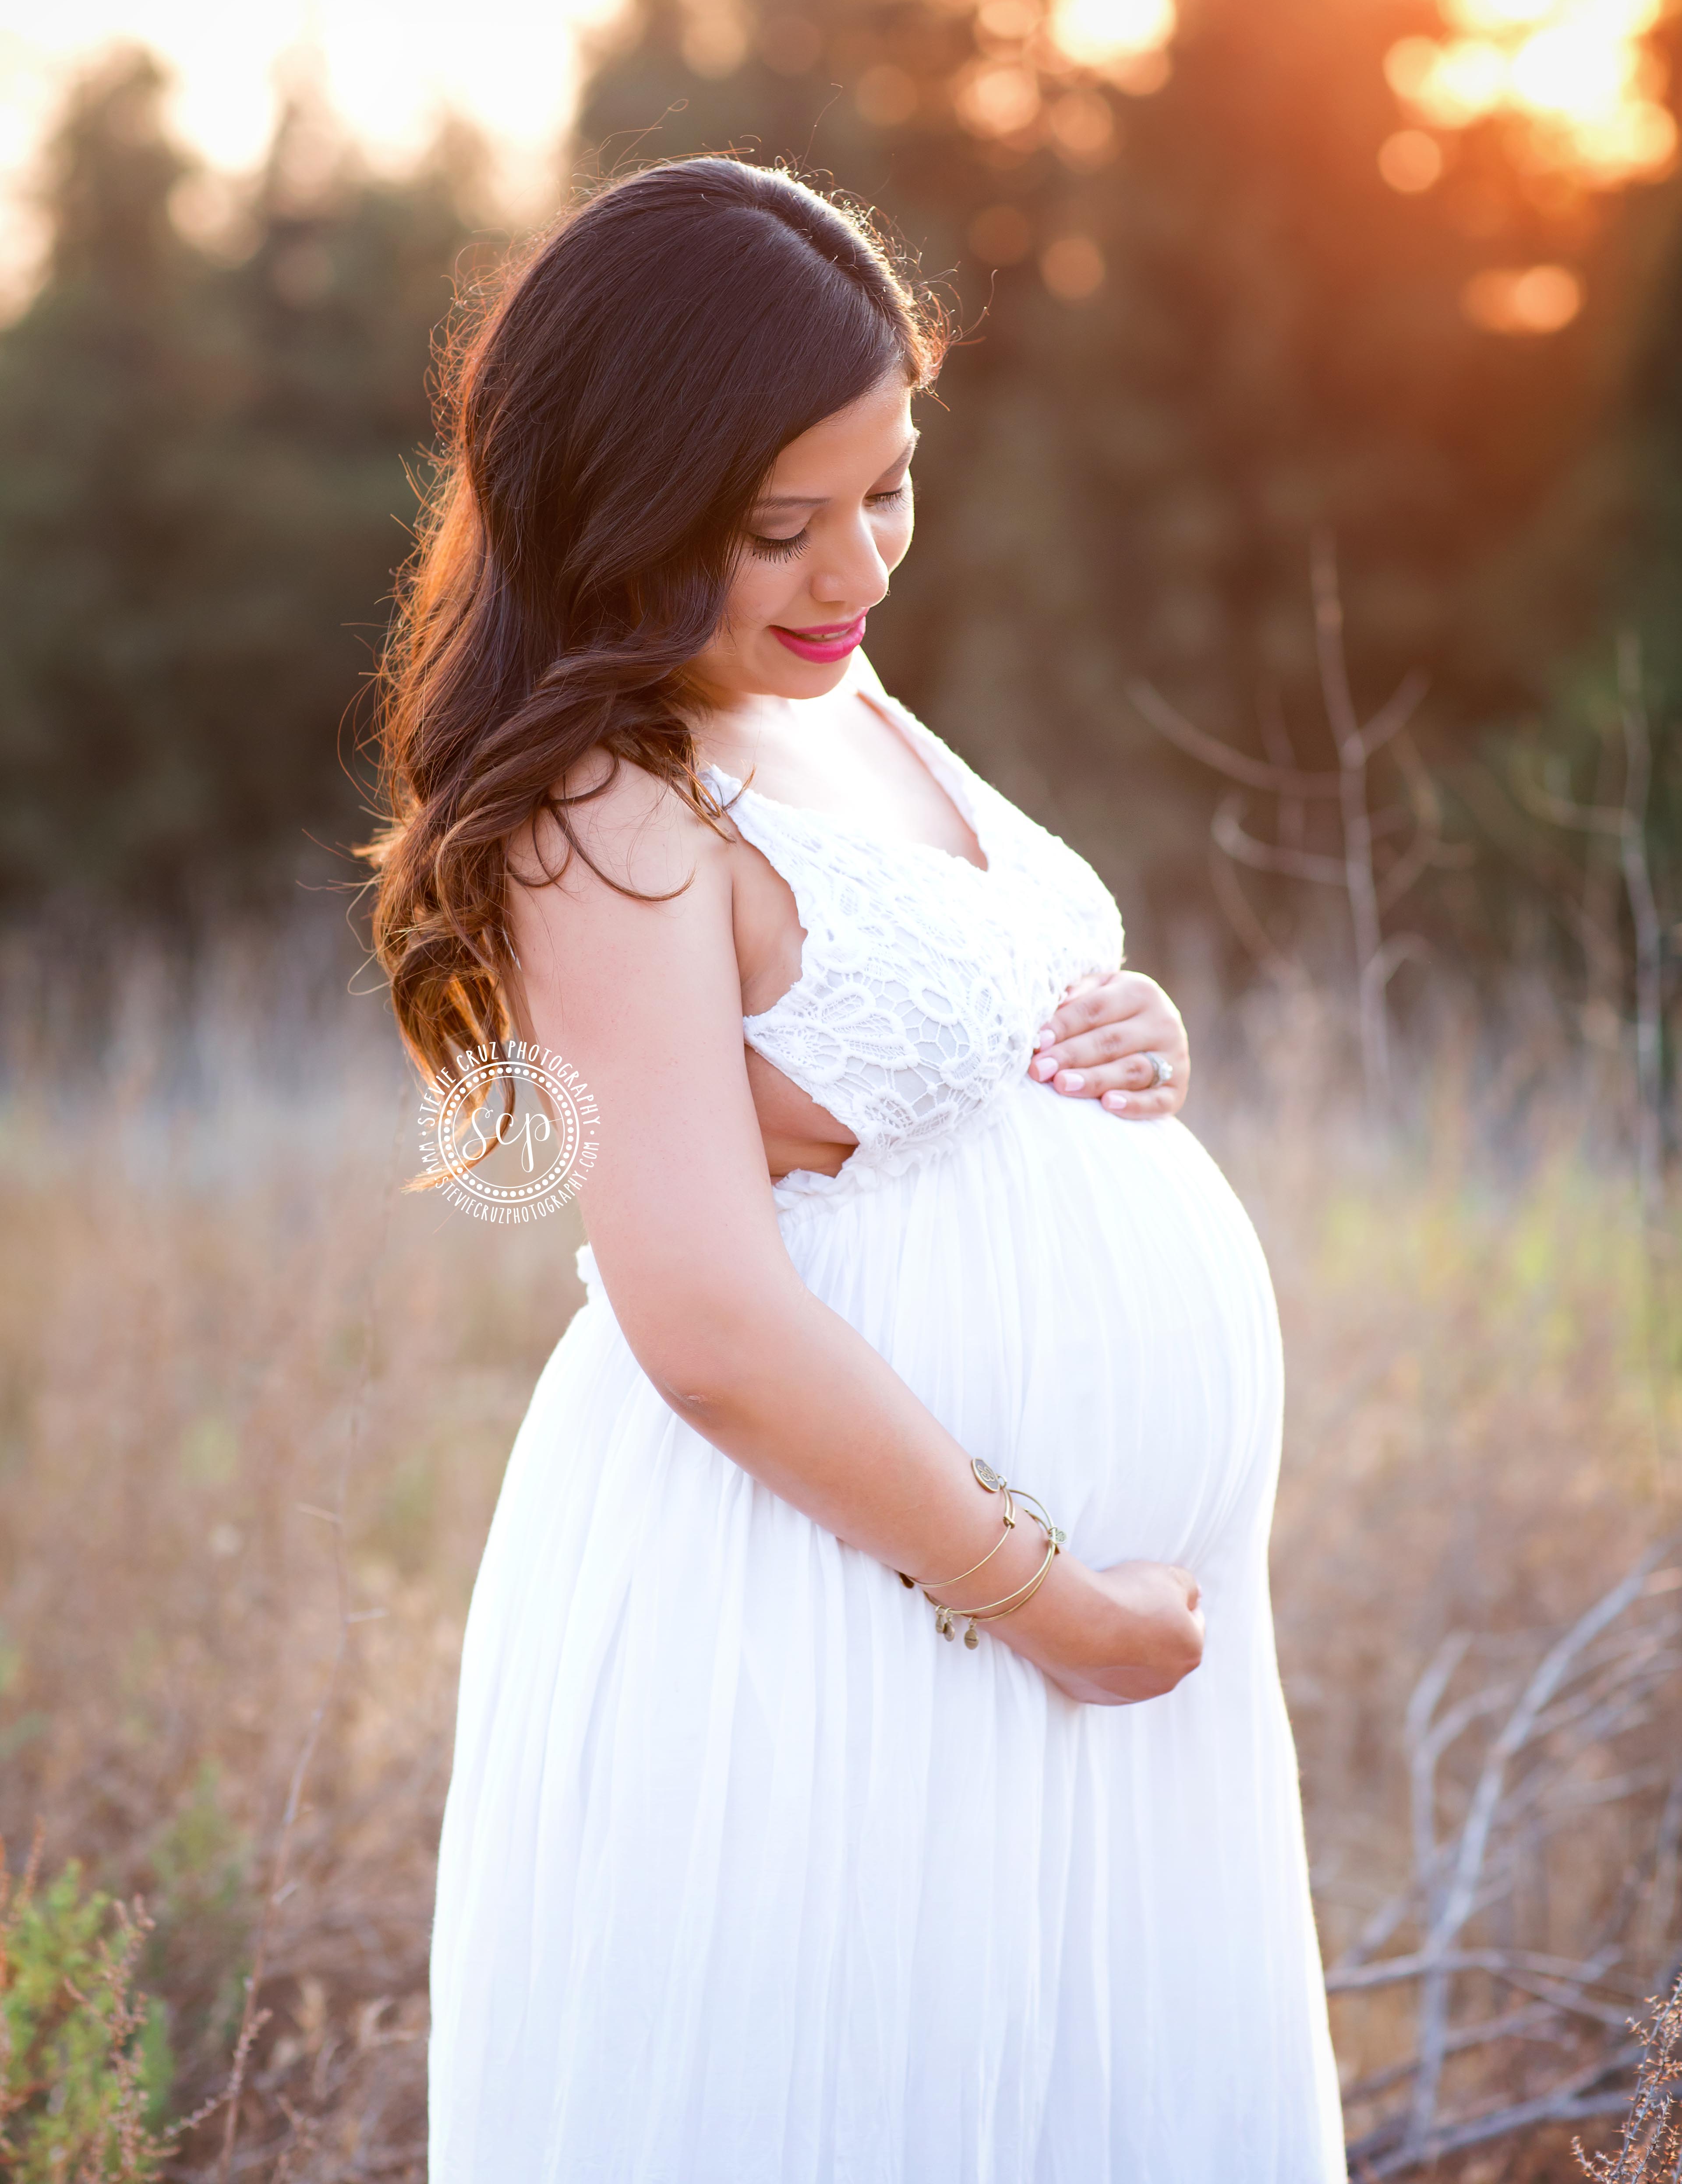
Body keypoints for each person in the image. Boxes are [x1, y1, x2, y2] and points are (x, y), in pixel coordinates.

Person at [365, 156, 1346, 2182]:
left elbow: (933, 993)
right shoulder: (606, 811)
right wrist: (1055, 1605)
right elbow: (705, 1319)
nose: (855, 574)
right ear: (615, 512)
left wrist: (1112, 1022)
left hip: (1054, 1656)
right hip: (838, 1625)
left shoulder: (842, 692)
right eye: (775, 529)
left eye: (887, 488)